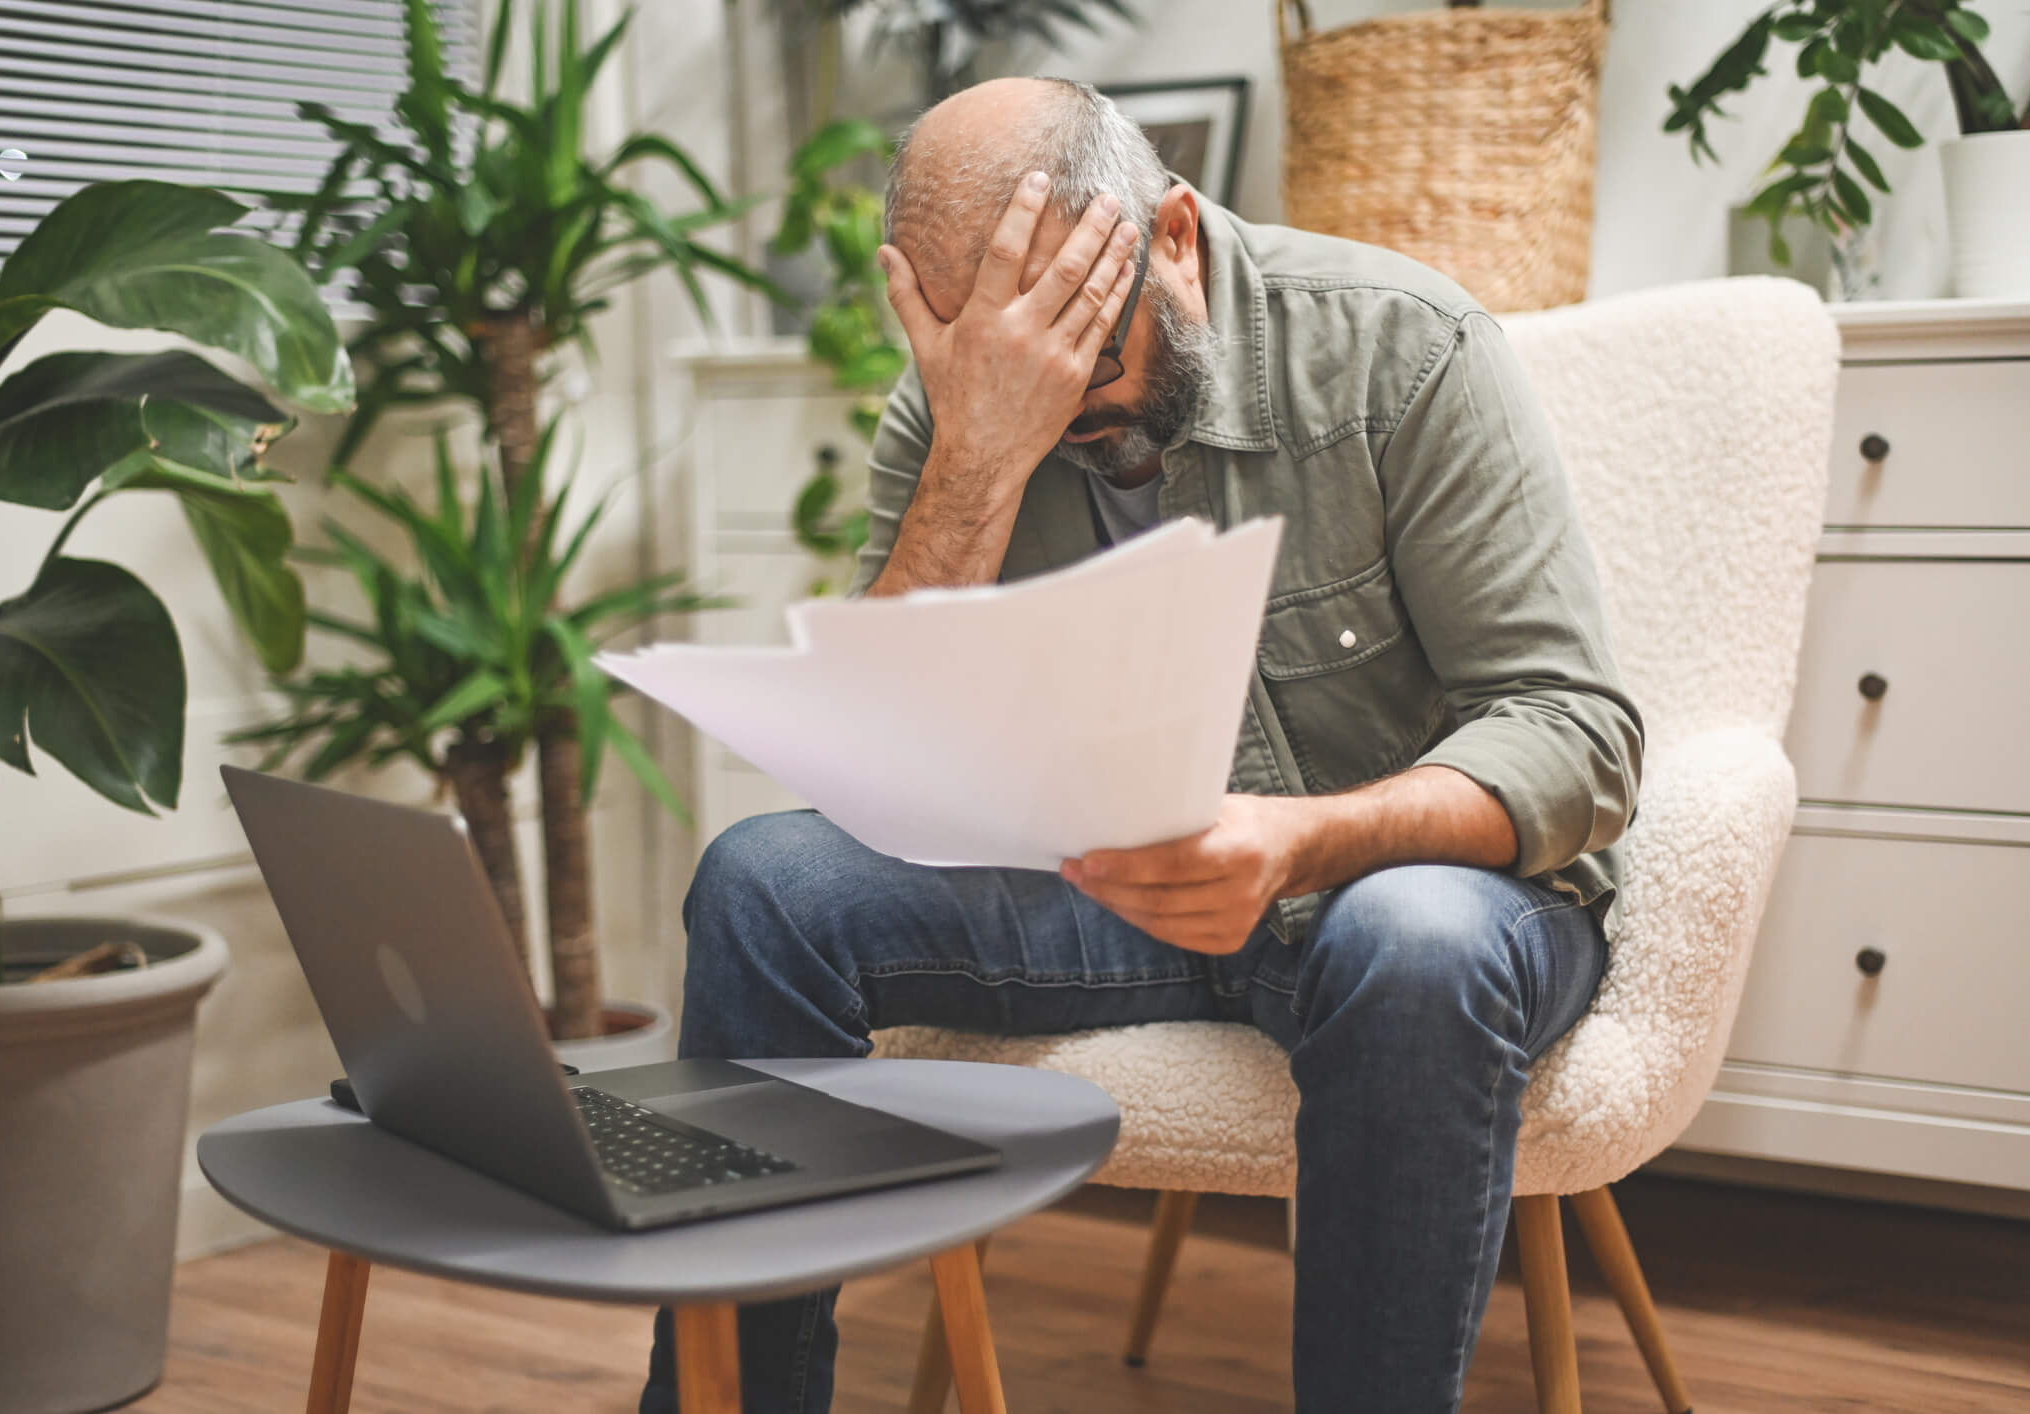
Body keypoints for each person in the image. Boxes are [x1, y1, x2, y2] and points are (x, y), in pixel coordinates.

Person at [641, 76, 1642, 1414]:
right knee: (764, 882)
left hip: (1392, 892)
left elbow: (1574, 730)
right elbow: (868, 768)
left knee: (1410, 937)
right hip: (1113, 895)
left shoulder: (1397, 348)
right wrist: (975, 458)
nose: (1057, 409)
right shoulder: (962, 410)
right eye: (1005, 367)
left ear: (1170, 234)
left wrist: (1304, 835)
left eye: (1083, 356)